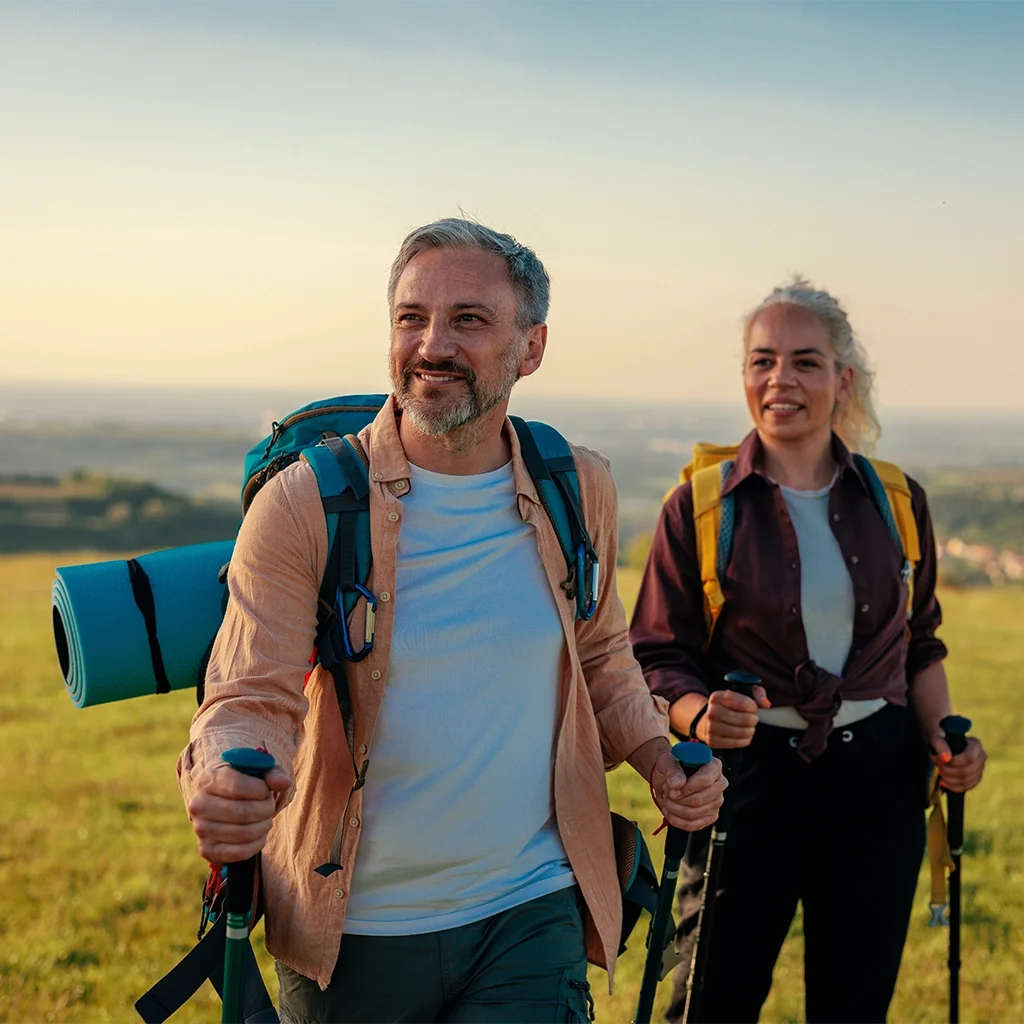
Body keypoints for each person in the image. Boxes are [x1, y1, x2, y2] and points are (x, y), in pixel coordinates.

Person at [178, 218, 726, 1024]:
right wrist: (226, 769)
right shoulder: (305, 505)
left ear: (531, 347)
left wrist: (658, 758)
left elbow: (600, 653)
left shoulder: (577, 485)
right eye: (411, 317)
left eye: (469, 319)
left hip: (530, 908)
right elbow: (250, 692)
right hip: (354, 929)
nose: (432, 343)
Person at [629, 277, 987, 1023]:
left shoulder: (895, 500)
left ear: (843, 379)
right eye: (762, 361)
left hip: (881, 783)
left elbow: (920, 644)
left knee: (853, 1004)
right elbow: (656, 653)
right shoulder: (700, 504)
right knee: (708, 1001)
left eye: (805, 361)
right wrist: (698, 715)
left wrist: (946, 739)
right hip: (748, 782)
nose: (779, 380)